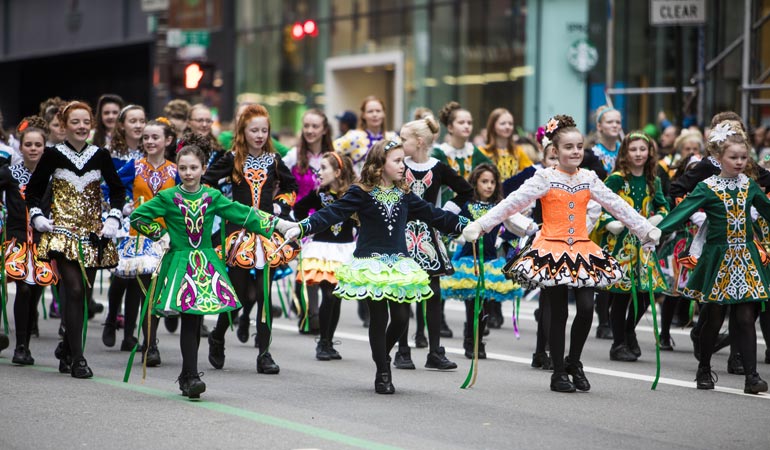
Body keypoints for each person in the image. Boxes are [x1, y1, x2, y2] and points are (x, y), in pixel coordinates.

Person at [462, 115, 661, 393]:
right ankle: (557, 372)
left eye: (579, 146)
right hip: (550, 249)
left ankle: (574, 361)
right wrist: (481, 225)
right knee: (557, 314)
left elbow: (617, 206)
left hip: (581, 248)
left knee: (587, 308)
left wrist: (644, 230)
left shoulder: (589, 178)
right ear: (555, 151)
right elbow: (511, 203)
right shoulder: (545, 177)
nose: (576, 152)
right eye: (569, 147)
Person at [284, 139, 468, 394]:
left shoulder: (404, 194)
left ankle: (382, 354)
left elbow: (432, 213)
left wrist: (464, 225)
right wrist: (302, 227)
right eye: (397, 161)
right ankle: (383, 371)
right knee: (379, 319)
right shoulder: (361, 192)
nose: (403, 165)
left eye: (403, 160)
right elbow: (332, 212)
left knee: (402, 318)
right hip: (370, 264)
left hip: (399, 263)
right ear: (380, 165)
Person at [130, 143, 293, 398]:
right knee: (188, 317)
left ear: (203, 168)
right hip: (180, 263)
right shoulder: (168, 197)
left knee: (195, 319)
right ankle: (191, 375)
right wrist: (160, 234)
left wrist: (278, 224)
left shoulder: (211, 196)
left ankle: (188, 374)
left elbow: (241, 213)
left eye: (194, 167)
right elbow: (138, 218)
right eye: (182, 168)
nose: (188, 172)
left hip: (205, 263)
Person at [657, 119, 770, 394]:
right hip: (718, 259)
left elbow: (768, 211)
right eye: (734, 157)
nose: (741, 162)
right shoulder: (707, 187)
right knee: (713, 319)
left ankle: (751, 377)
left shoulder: (749, 186)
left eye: (744, 157)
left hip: (746, 257)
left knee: (745, 317)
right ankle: (704, 367)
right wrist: (654, 231)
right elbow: (681, 213)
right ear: (719, 158)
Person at [26, 101, 127, 378]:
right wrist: (38, 217)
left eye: (85, 122)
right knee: (73, 290)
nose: (81, 127)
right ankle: (79, 359)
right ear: (64, 125)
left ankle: (67, 349)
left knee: (84, 293)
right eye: (75, 122)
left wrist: (113, 218)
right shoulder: (52, 155)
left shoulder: (100, 155)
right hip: (62, 233)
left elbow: (118, 191)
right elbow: (33, 191)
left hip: (93, 236)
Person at [203, 104, 298, 374]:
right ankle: (218, 335)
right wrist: (223, 205)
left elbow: (291, 187)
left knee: (264, 295)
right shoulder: (231, 158)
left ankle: (264, 354)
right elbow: (207, 183)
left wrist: (281, 207)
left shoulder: (274, 159)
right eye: (253, 130)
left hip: (266, 234)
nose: (259, 135)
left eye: (264, 130)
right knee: (240, 296)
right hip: (238, 235)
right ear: (242, 131)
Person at [393, 115, 473, 370]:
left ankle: (435, 351)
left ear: (418, 142)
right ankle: (402, 350)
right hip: (402, 236)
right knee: (403, 293)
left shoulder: (438, 167)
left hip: (429, 236)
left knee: (433, 293)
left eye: (403, 139)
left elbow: (466, 190)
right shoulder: (398, 166)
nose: (399, 142)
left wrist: (447, 212)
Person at [108, 118, 179, 367]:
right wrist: (124, 204)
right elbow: (110, 185)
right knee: (142, 289)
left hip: (165, 238)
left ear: (167, 141)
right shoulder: (134, 166)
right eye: (146, 137)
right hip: (138, 237)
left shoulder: (176, 170)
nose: (149, 141)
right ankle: (148, 343)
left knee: (153, 292)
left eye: (155, 137)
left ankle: (149, 342)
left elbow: (184, 197)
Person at [597, 132, 670, 362]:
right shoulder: (617, 179)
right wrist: (611, 223)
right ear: (625, 153)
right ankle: (618, 344)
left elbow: (663, 207)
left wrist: (655, 220)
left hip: (644, 245)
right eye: (633, 149)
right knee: (621, 296)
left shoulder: (653, 180)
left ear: (649, 153)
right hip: (621, 246)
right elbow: (598, 207)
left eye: (642, 149)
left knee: (648, 293)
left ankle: (629, 330)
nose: (638, 154)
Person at [441, 163, 522, 359]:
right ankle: (470, 340)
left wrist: (508, 237)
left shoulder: (499, 207)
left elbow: (514, 223)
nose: (489, 186)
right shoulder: (465, 204)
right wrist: (461, 237)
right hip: (470, 261)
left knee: (485, 304)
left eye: (493, 182)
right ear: (475, 183)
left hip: (491, 262)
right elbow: (447, 222)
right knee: (472, 303)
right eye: (484, 181)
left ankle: (478, 340)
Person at [293, 152, 356, 360]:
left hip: (345, 250)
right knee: (329, 294)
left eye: (323, 169)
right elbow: (300, 208)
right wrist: (309, 228)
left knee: (336, 297)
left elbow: (360, 219)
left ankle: (328, 341)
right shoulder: (320, 194)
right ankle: (322, 342)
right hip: (323, 250)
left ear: (338, 172)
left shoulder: (352, 196)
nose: (318, 173)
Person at [283, 109, 334, 333]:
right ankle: (311, 315)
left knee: (326, 271)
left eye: (315, 126)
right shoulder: (294, 156)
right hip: (300, 220)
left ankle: (322, 314)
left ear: (324, 129)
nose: (310, 131)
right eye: (307, 126)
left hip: (328, 221)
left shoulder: (334, 156)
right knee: (308, 268)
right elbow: (278, 180)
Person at [4, 117, 47, 364]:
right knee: (23, 287)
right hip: (17, 238)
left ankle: (27, 337)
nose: (32, 148)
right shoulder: (10, 173)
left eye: (37, 144)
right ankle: (21, 347)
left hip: (43, 240)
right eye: (28, 144)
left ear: (44, 147)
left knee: (36, 290)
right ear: (21, 148)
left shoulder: (51, 174)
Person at [334, 96, 396, 175]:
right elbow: (331, 150)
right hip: (360, 185)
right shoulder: (355, 136)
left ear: (383, 113)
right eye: (370, 111)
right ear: (363, 115)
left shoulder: (392, 138)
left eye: (378, 111)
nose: (375, 114)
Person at [433, 101, 491, 180]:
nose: (467, 126)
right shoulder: (439, 152)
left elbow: (492, 169)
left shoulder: (473, 151)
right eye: (461, 122)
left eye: (469, 123)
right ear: (450, 127)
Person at [479, 108, 533, 181]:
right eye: (503, 123)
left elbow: (531, 172)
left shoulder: (518, 151)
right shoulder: (483, 152)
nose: (507, 127)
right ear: (493, 126)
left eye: (510, 124)